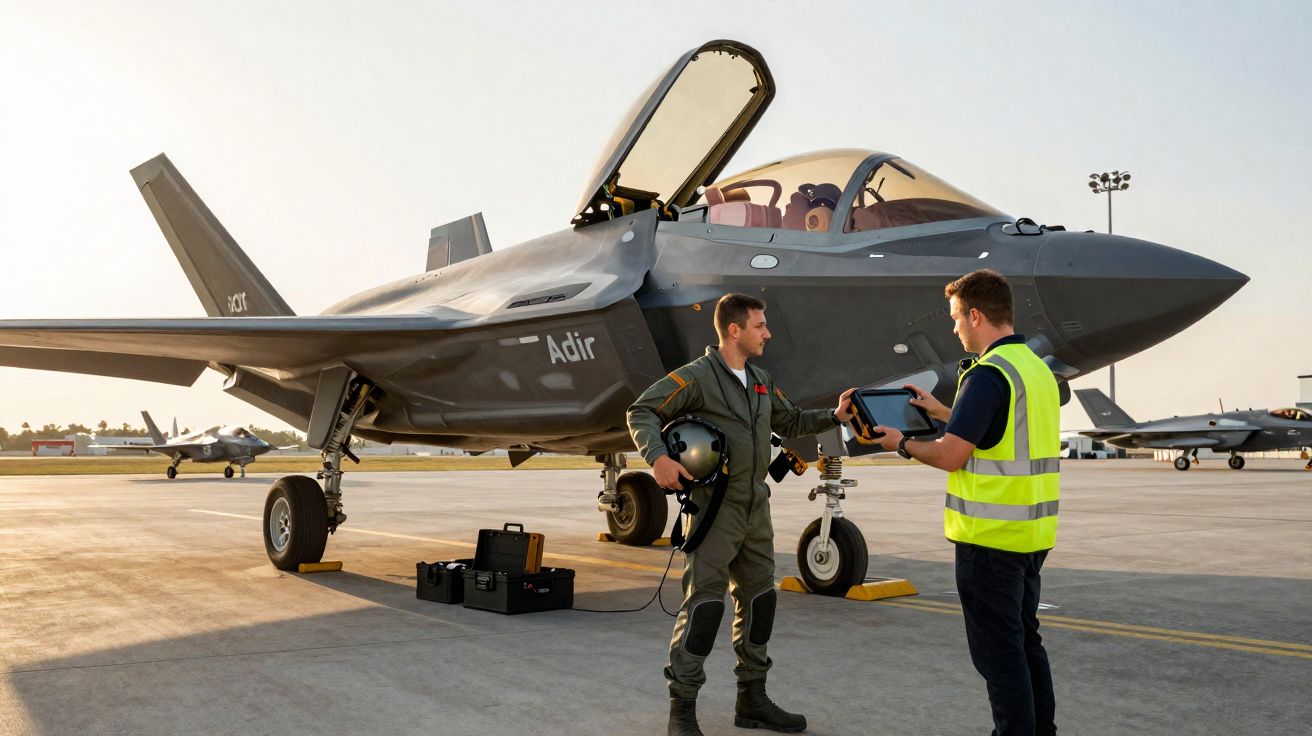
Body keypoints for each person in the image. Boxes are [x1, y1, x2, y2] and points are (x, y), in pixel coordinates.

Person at [627, 292, 855, 736]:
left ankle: (752, 699)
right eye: (760, 325)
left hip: (755, 507)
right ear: (734, 330)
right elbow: (642, 410)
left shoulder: (760, 380)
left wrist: (834, 414)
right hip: (715, 509)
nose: (768, 333)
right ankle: (682, 710)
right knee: (704, 606)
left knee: (759, 601)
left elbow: (790, 421)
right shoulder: (697, 377)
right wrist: (658, 457)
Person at [864, 269, 1060, 736]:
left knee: (1000, 656)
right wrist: (943, 411)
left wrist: (900, 444)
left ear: (975, 316)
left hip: (988, 540)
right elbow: (999, 433)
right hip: (1031, 537)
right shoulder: (1034, 370)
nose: (953, 328)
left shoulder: (987, 374)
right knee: (1025, 644)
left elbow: (952, 455)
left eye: (955, 318)